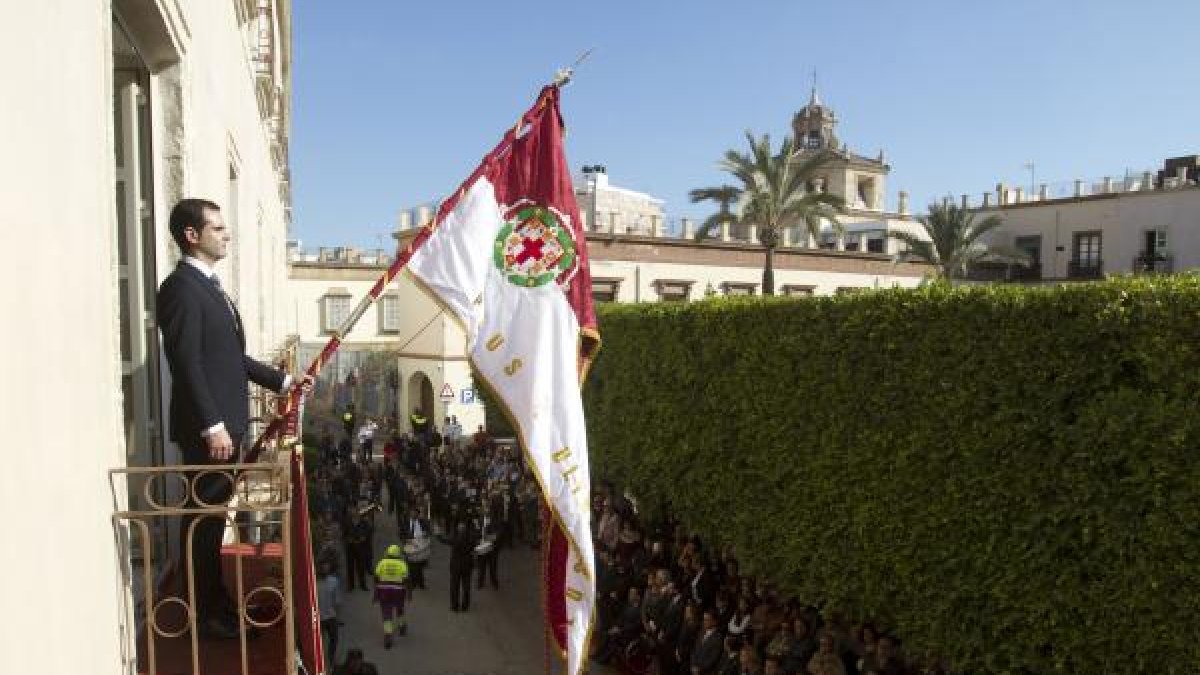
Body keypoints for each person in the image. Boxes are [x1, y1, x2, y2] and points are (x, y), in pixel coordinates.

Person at [157, 198, 308, 640]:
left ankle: (216, 600)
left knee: (213, 520)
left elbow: (228, 357)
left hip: (225, 426)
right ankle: (205, 614)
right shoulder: (181, 288)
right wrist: (212, 425)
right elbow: (185, 362)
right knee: (203, 523)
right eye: (218, 228)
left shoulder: (209, 286)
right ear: (192, 235)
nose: (227, 234)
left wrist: (282, 381)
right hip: (212, 432)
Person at [372, 544, 409, 649]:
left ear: (388, 553)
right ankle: (401, 626)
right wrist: (408, 593)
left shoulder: (382, 562)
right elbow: (406, 579)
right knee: (399, 609)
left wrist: (376, 593)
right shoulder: (402, 564)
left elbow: (376, 577)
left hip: (384, 591)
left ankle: (388, 635)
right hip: (398, 591)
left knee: (386, 612)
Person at [448, 519, 477, 612]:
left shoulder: (455, 538)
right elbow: (477, 544)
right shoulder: (471, 537)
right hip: (467, 565)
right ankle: (465, 606)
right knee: (466, 587)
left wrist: (438, 535)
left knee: (454, 587)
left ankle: (455, 606)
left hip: (456, 566)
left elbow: (446, 540)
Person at [317, 562, 342, 668]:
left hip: (319, 617)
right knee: (333, 639)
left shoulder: (313, 583)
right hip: (330, 617)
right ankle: (331, 659)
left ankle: (321, 660)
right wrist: (337, 616)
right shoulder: (333, 581)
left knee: (322, 640)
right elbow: (337, 601)